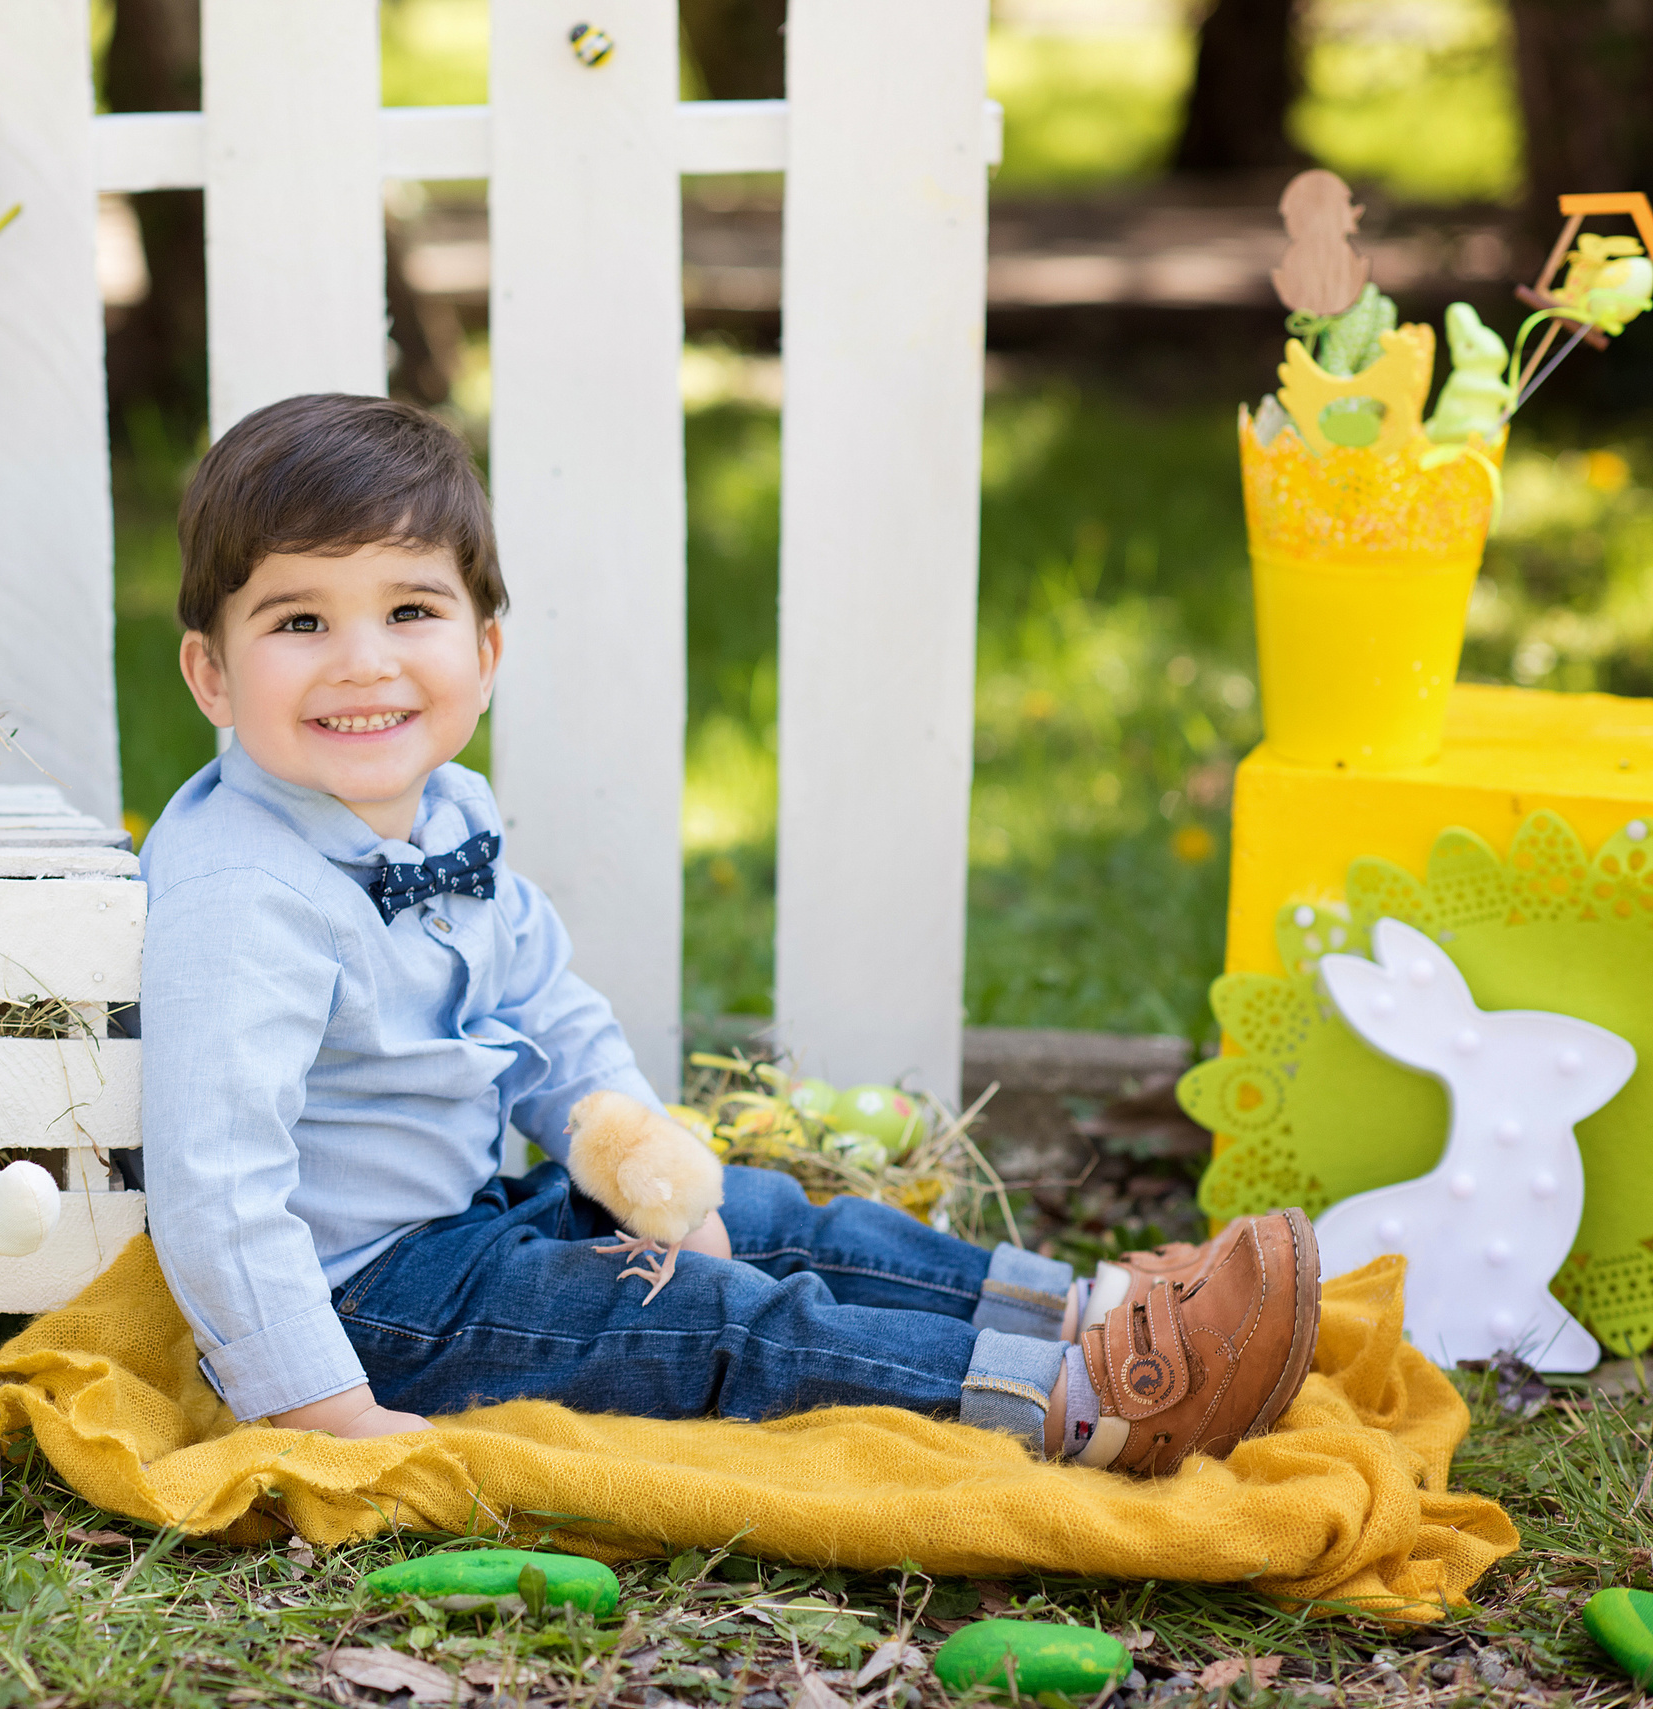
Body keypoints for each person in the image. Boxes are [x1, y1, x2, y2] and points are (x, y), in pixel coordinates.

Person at [135, 393, 1318, 1475]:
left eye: (409, 608)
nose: (364, 660)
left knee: (759, 1216)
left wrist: (645, 1173)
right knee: (701, 1317)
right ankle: (1086, 1401)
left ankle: (1091, 1306)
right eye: (299, 618)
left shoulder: (445, 815)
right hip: (365, 1307)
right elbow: (217, 1179)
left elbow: (549, 1012)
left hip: (467, 1229)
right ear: (211, 674)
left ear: (484, 653)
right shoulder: (245, 894)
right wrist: (321, 1403)